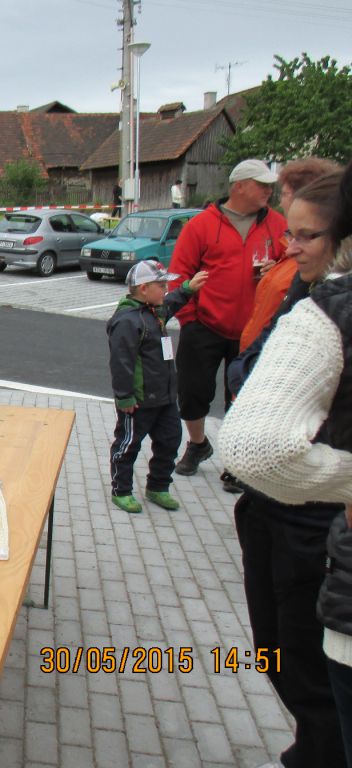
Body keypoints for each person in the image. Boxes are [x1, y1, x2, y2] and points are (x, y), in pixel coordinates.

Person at [217, 171, 348, 768]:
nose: (290, 246)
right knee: (277, 654)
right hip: (274, 507)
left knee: (309, 670)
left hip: (313, 517)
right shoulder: (304, 286)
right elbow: (252, 351)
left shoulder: (328, 307)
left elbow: (257, 447)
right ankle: (311, 746)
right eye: (288, 233)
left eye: (306, 235)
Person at [167, 159, 287, 489]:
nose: (269, 190)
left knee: (244, 398)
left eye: (270, 185)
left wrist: (276, 270)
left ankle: (235, 461)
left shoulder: (277, 224)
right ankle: (198, 444)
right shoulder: (201, 225)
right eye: (262, 184)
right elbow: (179, 273)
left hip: (254, 329)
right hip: (204, 324)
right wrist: (189, 318)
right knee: (192, 393)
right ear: (239, 186)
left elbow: (294, 265)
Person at [106, 261, 208, 513]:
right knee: (128, 445)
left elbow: (171, 303)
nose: (166, 289)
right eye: (161, 285)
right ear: (143, 289)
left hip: (164, 398)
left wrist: (187, 288)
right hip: (138, 401)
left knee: (170, 441)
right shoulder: (127, 321)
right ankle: (121, 490)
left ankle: (158, 486)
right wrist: (125, 397)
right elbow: (121, 362)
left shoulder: (155, 311)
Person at [239, 157, 343, 352]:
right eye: (292, 235)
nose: (278, 199)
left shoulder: (317, 277)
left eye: (284, 193)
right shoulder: (301, 260)